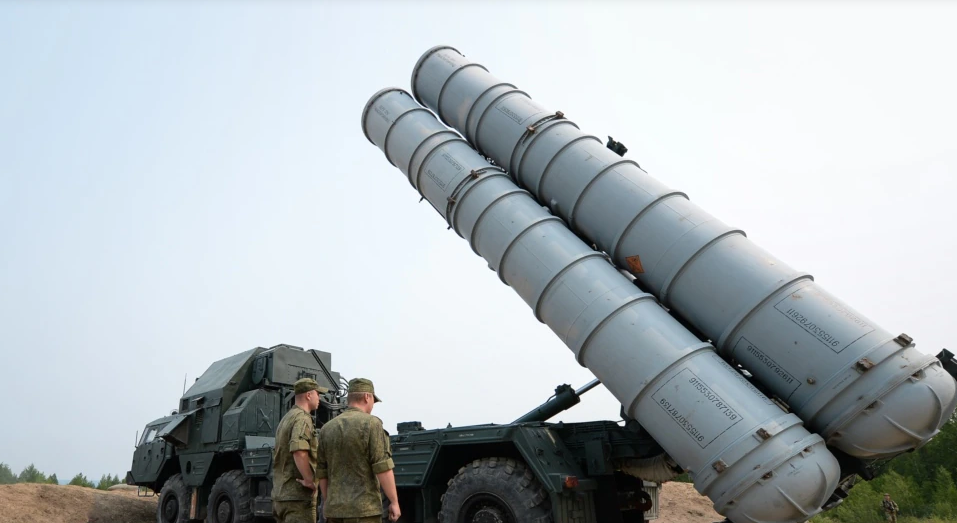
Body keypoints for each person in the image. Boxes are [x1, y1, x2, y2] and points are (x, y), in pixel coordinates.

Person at [316, 378, 401, 523]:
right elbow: (382, 466)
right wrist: (394, 501)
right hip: (363, 512)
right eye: (373, 400)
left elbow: (322, 471)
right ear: (367, 397)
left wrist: (327, 503)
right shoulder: (372, 424)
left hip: (334, 512)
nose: (373, 405)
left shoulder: (326, 428)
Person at [271, 377, 328, 523]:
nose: (319, 398)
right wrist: (309, 480)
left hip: (281, 495)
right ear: (309, 395)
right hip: (297, 498)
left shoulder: (286, 418)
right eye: (317, 394)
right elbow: (299, 451)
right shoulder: (302, 419)